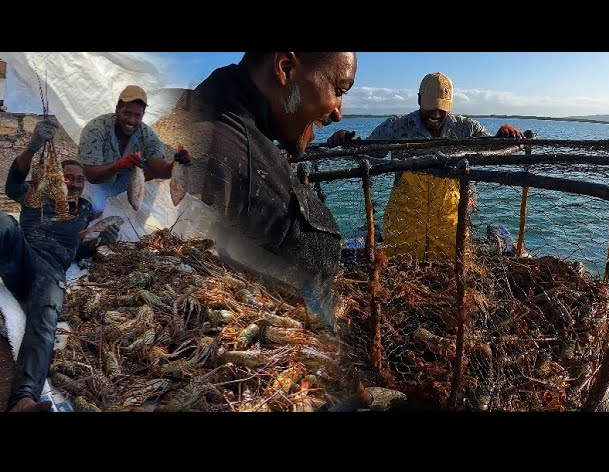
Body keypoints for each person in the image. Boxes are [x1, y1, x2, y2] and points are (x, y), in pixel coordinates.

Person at [178, 52, 357, 325]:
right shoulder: (247, 172)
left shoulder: (185, 104)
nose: (338, 112)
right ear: (285, 69)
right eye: (338, 90)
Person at [327, 72, 523, 262]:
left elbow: (491, 145)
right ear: (419, 100)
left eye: (441, 109)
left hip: (450, 212)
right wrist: (346, 141)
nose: (436, 114)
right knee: (402, 263)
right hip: (405, 212)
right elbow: (370, 153)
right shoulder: (398, 126)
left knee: (451, 261)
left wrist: (503, 132)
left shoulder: (466, 128)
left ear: (451, 105)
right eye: (431, 108)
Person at [1, 120, 121, 412]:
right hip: (23, 256)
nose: (75, 183)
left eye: (80, 180)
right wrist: (32, 147)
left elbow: (79, 250)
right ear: (56, 177)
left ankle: (24, 400)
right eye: (68, 177)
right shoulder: (38, 193)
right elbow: (12, 184)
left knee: (44, 323)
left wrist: (101, 239)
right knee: (4, 222)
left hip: (51, 273)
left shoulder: (84, 211)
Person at [77, 85, 192, 217]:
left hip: (120, 178)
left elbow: (160, 168)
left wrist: (176, 164)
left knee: (150, 166)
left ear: (143, 115)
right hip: (93, 179)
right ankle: (98, 199)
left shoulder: (146, 134)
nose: (132, 120)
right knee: (93, 209)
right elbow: (92, 175)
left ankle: (127, 195)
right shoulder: (96, 129)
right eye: (127, 113)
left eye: (137, 115)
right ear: (117, 109)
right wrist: (119, 165)